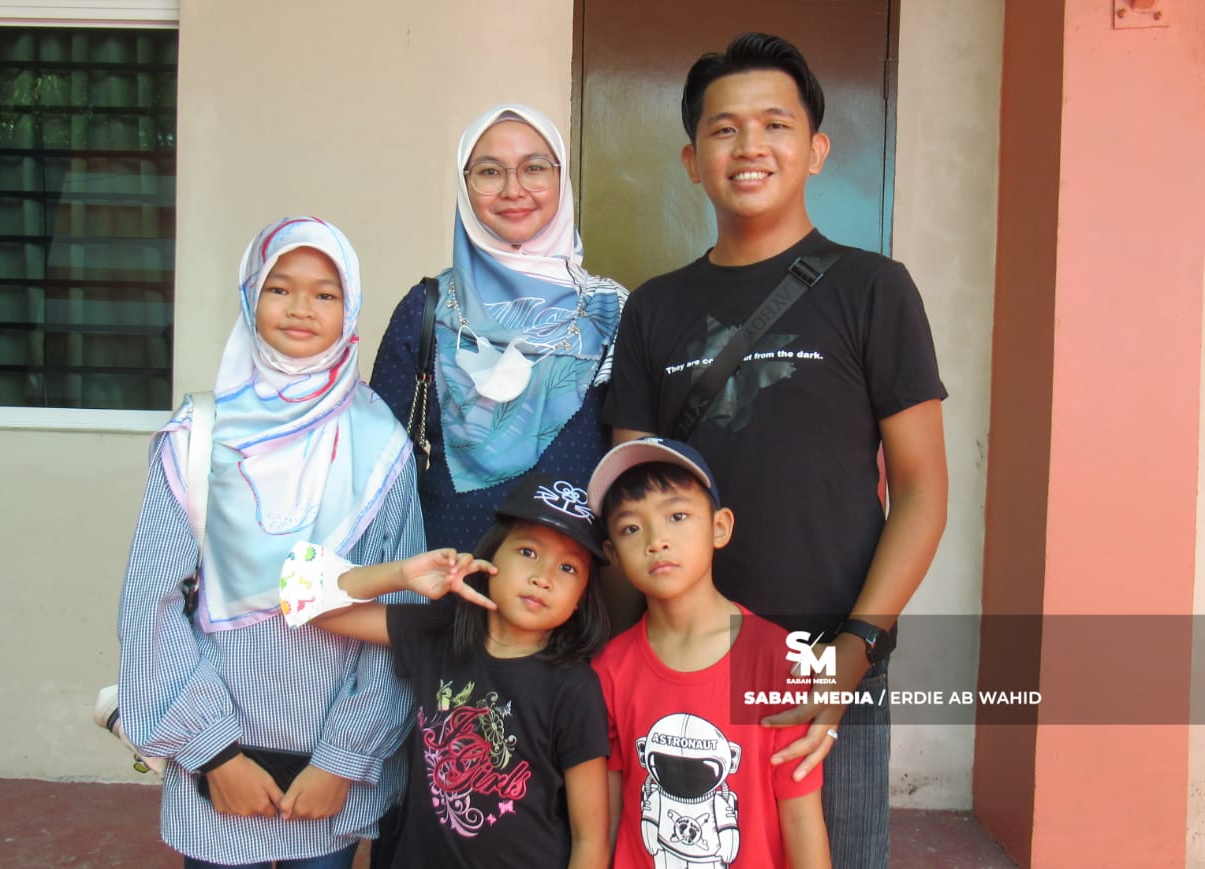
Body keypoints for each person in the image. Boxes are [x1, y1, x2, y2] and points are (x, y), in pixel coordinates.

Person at [601, 33, 948, 867]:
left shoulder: (874, 289)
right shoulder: (654, 310)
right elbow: (629, 499)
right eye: (724, 129)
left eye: (775, 124)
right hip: (688, 664)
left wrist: (856, 647)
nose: (749, 146)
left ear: (816, 149)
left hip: (828, 659)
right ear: (692, 161)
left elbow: (922, 489)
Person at [117, 216, 425, 868]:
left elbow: (400, 617)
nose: (301, 308)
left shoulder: (380, 445)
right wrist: (215, 754)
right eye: (280, 288)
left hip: (329, 775)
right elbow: (152, 602)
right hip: (217, 771)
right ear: (250, 295)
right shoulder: (199, 437)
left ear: (350, 309)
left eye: (325, 293)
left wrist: (343, 759)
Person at [279, 472, 612, 869]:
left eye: (569, 568)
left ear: (581, 599)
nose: (543, 578)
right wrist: (401, 575)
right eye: (528, 552)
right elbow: (300, 596)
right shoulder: (438, 635)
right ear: (490, 556)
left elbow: (591, 841)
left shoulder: (574, 687)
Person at [370, 103, 627, 552]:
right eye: (489, 172)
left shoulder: (611, 310)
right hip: (444, 570)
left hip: (568, 574)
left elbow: (628, 464)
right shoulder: (426, 307)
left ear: (561, 179)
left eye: (534, 168)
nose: (513, 189)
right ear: (464, 184)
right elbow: (379, 456)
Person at [589, 437, 831, 869]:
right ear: (612, 554)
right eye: (631, 528)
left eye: (677, 516)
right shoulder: (609, 669)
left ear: (720, 527)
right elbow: (605, 821)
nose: (656, 540)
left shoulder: (780, 660)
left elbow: (800, 818)